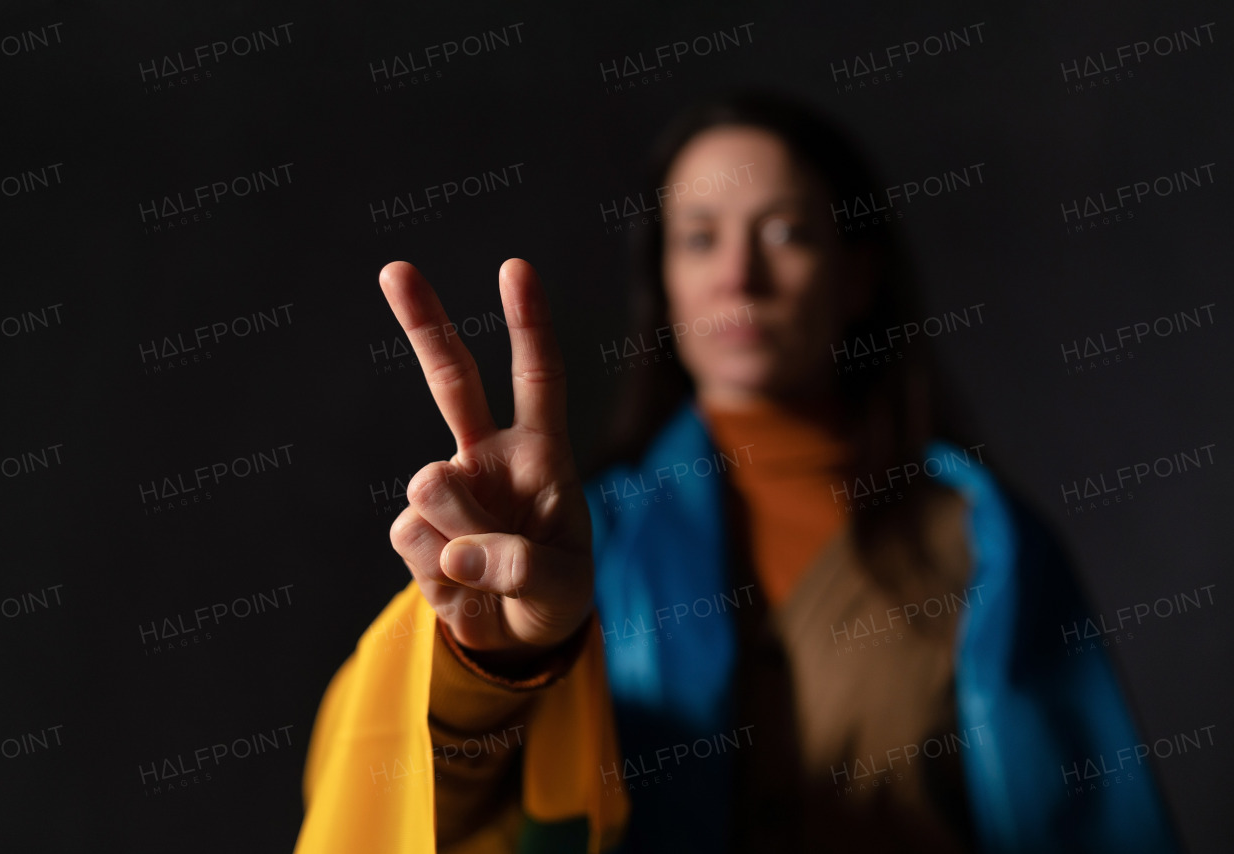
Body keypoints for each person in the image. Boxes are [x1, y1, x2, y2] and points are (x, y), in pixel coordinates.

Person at [293, 93, 1179, 853]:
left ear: (858, 275)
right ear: (666, 283)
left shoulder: (984, 545)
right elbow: (451, 822)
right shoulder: (573, 548)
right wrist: (495, 660)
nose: (737, 276)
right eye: (698, 238)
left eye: (787, 232)